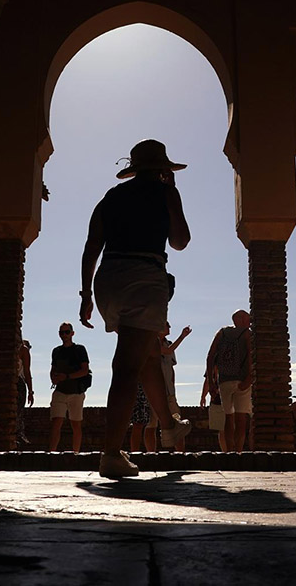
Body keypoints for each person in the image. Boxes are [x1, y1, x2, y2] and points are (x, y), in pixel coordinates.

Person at [80, 139, 193, 478]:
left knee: (144, 357)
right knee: (127, 366)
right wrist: (172, 196)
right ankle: (111, 454)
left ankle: (170, 426)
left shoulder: (111, 197)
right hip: (142, 279)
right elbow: (180, 241)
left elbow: (91, 247)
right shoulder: (164, 193)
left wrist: (86, 294)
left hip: (107, 282)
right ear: (162, 168)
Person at [205, 309, 253, 453]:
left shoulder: (222, 333)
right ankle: (238, 452)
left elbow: (210, 356)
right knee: (241, 420)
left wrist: (212, 381)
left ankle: (229, 453)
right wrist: (249, 378)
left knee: (228, 418)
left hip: (224, 381)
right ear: (243, 320)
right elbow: (252, 356)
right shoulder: (247, 334)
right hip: (241, 380)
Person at [146, 321, 191, 451]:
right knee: (151, 425)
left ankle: (180, 454)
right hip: (153, 392)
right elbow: (168, 351)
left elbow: (171, 369)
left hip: (169, 392)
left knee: (178, 423)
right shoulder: (150, 343)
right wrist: (182, 336)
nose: (169, 327)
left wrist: (172, 388)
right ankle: (151, 455)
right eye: (167, 325)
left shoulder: (168, 343)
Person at [48, 323, 90, 452]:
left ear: (72, 333)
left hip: (76, 392)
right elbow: (53, 369)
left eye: (66, 332)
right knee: (56, 423)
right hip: (60, 391)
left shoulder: (80, 350)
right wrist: (54, 378)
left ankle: (75, 454)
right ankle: (52, 454)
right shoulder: (56, 351)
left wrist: (66, 376)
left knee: (76, 424)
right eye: (61, 332)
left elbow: (85, 370)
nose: (64, 335)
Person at [200, 365, 228, 452]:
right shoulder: (214, 363)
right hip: (218, 400)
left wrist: (203, 397)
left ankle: (228, 452)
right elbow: (208, 380)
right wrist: (203, 397)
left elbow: (208, 380)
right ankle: (227, 452)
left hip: (224, 399)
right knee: (223, 430)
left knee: (224, 430)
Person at [16, 339, 34, 445]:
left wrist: (31, 392)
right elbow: (27, 372)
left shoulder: (22, 350)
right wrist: (31, 392)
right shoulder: (23, 350)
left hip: (17, 383)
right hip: (17, 383)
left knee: (18, 413)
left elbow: (27, 372)